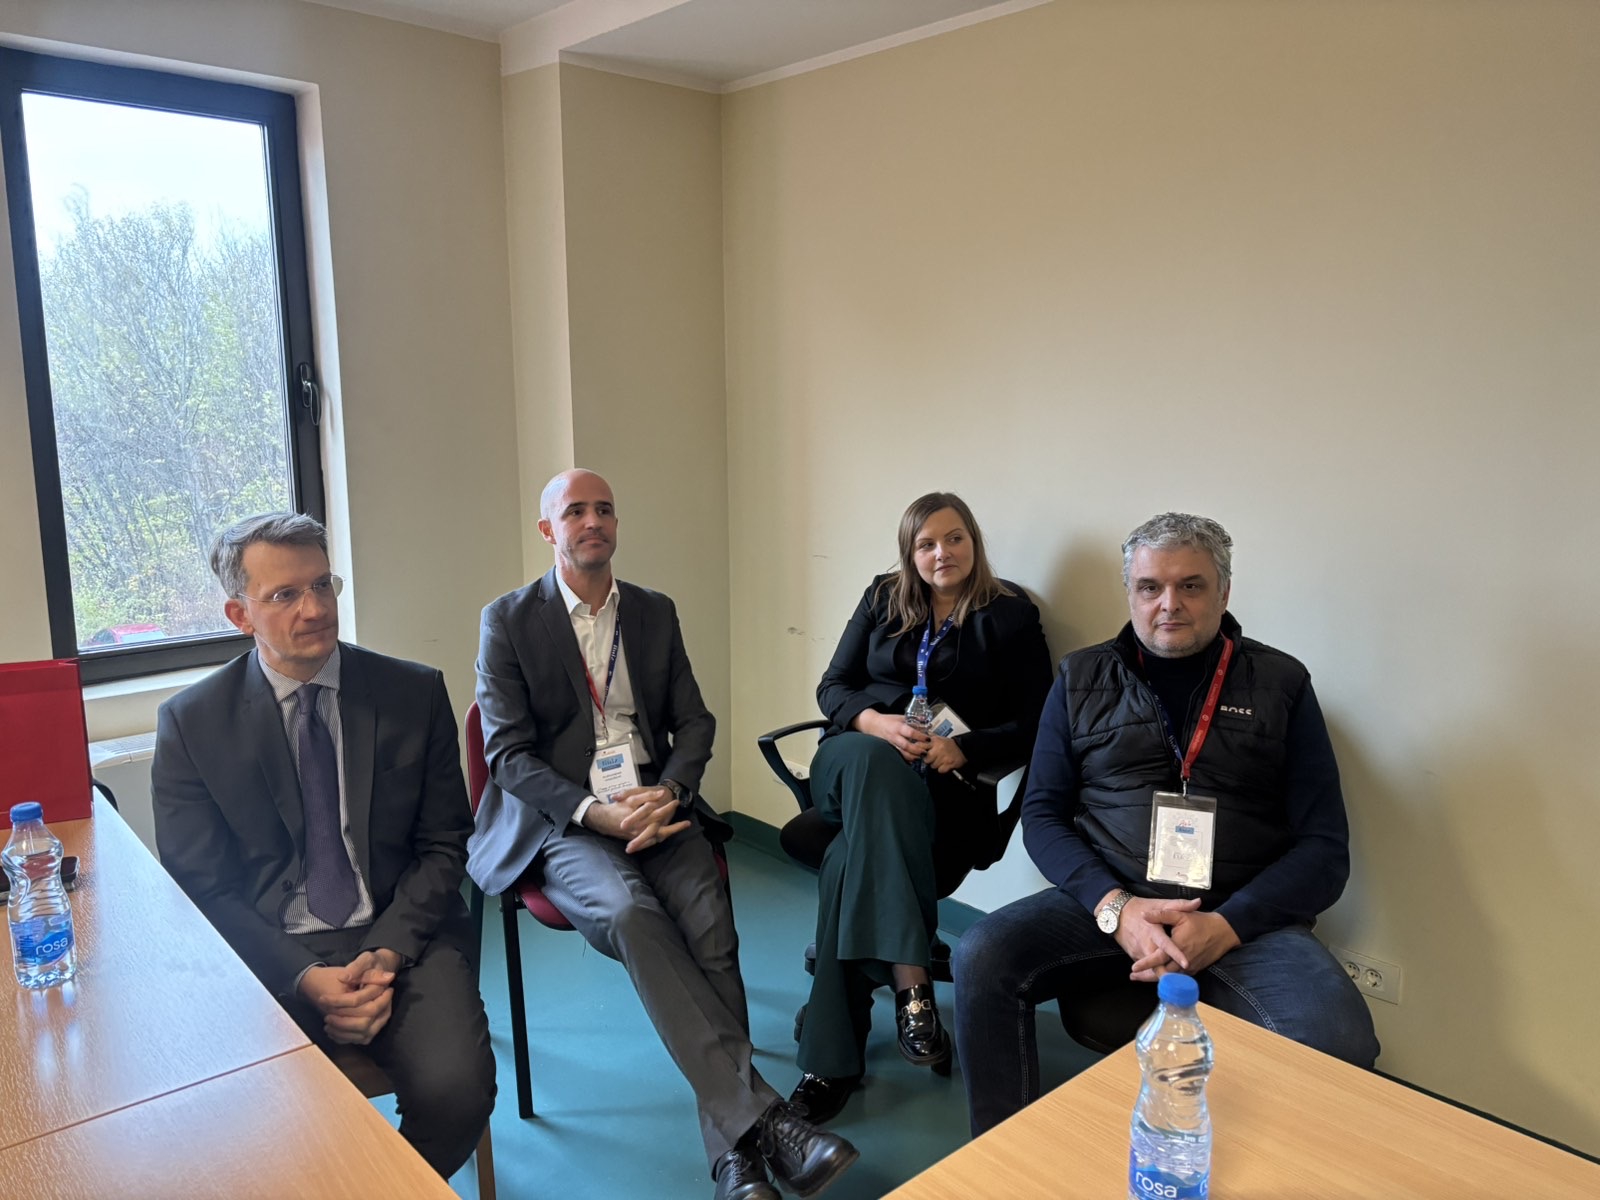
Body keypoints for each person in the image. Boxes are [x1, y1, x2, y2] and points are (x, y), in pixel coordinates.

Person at [468, 468, 857, 1200]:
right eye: (575, 511)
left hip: (655, 803)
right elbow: (507, 757)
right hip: (565, 821)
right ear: (548, 530)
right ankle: (767, 1124)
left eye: (605, 509)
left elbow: (695, 721)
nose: (593, 521)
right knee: (627, 912)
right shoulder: (508, 620)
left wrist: (671, 791)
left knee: (710, 926)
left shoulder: (653, 611)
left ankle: (735, 1159)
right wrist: (595, 812)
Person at [953, 512, 1380, 1136]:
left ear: (1224, 592)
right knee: (981, 955)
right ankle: (1002, 1154)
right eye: (1150, 587)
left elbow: (1324, 849)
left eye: (1191, 586)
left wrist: (1227, 926)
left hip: (1243, 916)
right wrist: (1116, 908)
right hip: (1111, 900)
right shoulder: (1079, 677)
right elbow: (1042, 814)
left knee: (1339, 1041)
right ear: (1130, 592)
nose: (1169, 604)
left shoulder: (1282, 683)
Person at [152, 513, 494, 1179]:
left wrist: (387, 952)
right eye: (284, 594)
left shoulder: (412, 693)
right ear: (239, 614)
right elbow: (201, 886)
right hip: (270, 949)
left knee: (457, 1091)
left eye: (322, 585)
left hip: (402, 933)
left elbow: (444, 843)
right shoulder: (192, 724)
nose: (314, 609)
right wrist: (306, 978)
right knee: (235, 1121)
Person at [788, 492, 1053, 1126]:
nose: (942, 553)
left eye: (954, 538)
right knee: (873, 764)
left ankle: (829, 1063)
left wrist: (967, 747)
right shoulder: (882, 598)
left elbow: (1042, 721)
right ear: (909, 553)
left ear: (974, 541)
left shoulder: (1011, 617)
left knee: (848, 865)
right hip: (852, 763)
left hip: (939, 787)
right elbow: (832, 687)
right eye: (926, 543)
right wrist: (875, 722)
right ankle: (913, 980)